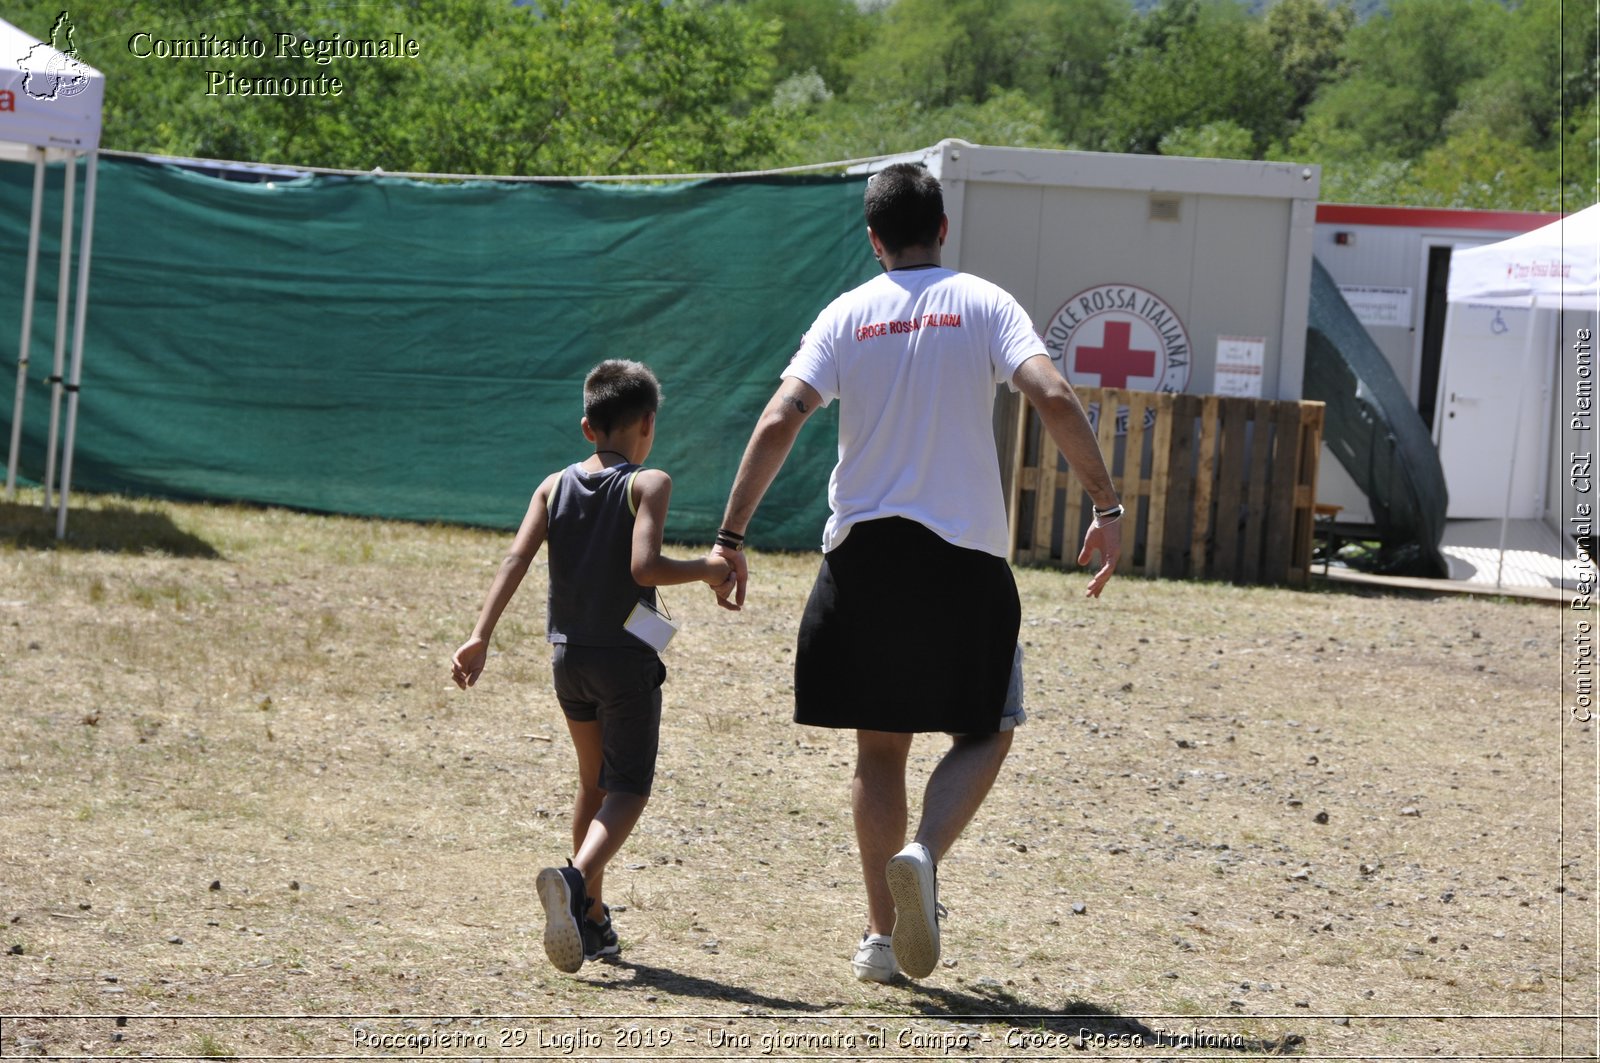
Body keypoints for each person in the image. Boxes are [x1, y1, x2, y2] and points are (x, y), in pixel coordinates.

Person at [707, 162, 1123, 983]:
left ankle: (881, 938)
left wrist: (730, 533)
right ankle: (923, 853)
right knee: (990, 724)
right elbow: (1051, 393)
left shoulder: (845, 314)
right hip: (962, 555)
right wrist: (1106, 508)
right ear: (941, 227)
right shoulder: (984, 300)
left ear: (873, 240)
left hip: (861, 558)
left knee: (879, 750)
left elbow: (780, 415)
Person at [450, 359, 735, 974]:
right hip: (625, 665)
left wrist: (480, 635)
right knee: (628, 788)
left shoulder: (552, 486)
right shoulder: (648, 483)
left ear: (587, 427)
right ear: (649, 424)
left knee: (592, 785)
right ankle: (575, 880)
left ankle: (593, 920)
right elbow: (645, 568)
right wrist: (709, 569)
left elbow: (516, 558)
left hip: (567, 660)